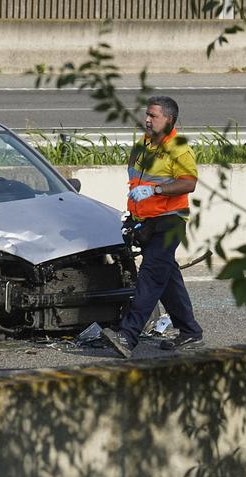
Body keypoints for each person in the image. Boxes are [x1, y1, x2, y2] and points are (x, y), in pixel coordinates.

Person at [101, 96, 204, 358]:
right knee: (166, 277)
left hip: (169, 221)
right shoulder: (143, 144)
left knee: (150, 275)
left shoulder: (178, 148)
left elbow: (188, 183)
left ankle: (127, 335)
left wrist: (155, 189)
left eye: (153, 116)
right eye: (146, 115)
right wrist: (133, 216)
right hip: (146, 221)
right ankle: (190, 331)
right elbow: (134, 180)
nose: (147, 120)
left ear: (169, 119)